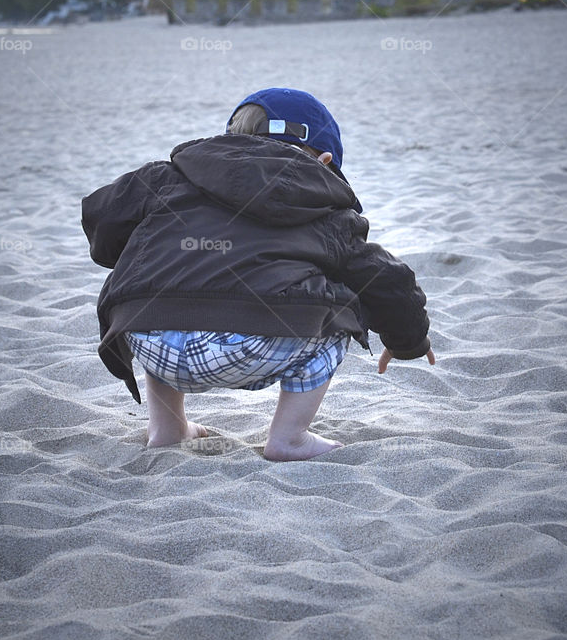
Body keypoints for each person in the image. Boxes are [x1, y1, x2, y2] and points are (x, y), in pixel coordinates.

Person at [81, 87, 434, 461]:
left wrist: (146, 247)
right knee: (341, 305)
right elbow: (385, 278)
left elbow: (101, 215)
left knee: (160, 288)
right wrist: (407, 341)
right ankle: (289, 438)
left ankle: (167, 430)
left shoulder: (167, 177)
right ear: (326, 162)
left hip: (149, 344)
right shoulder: (326, 207)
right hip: (258, 346)